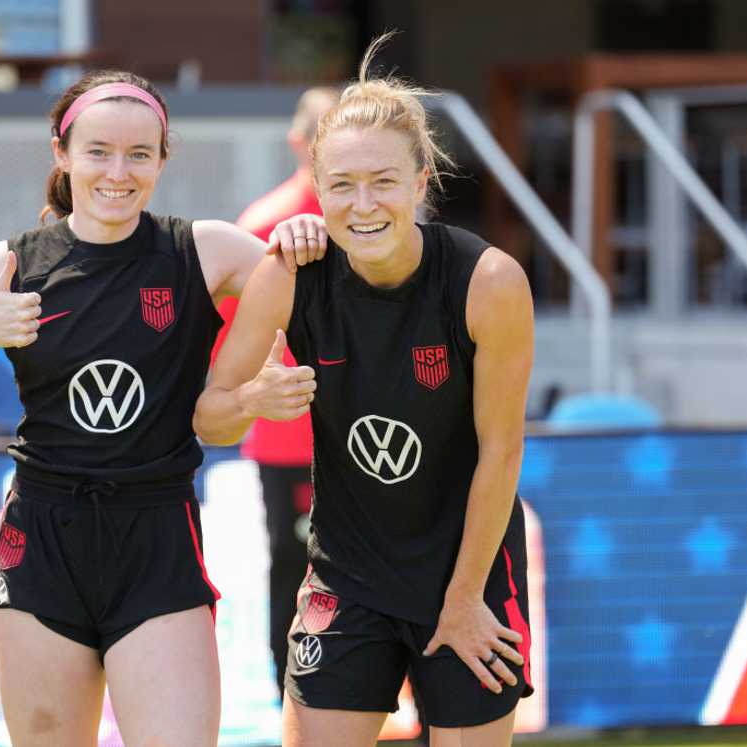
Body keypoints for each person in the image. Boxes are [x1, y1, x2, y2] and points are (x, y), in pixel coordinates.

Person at [0, 69, 326, 747]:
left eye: (140, 154)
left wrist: (302, 244)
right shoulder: (8, 265)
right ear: (62, 152)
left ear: (163, 161)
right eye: (98, 151)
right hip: (42, 549)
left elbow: (330, 310)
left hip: (157, 541)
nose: (119, 171)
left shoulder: (201, 250)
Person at [193, 33, 535, 747]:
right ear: (316, 188)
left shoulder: (488, 282)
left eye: (383, 180)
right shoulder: (291, 272)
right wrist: (257, 398)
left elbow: (501, 453)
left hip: (467, 569)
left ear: (421, 181)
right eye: (342, 184)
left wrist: (467, 597)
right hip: (348, 578)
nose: (363, 203)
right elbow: (211, 418)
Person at [216, 85, 339, 699]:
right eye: (322, 136)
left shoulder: (377, 220)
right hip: (291, 442)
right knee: (297, 571)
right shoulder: (265, 226)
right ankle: (290, 697)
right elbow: (228, 355)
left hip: (369, 436)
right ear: (298, 141)